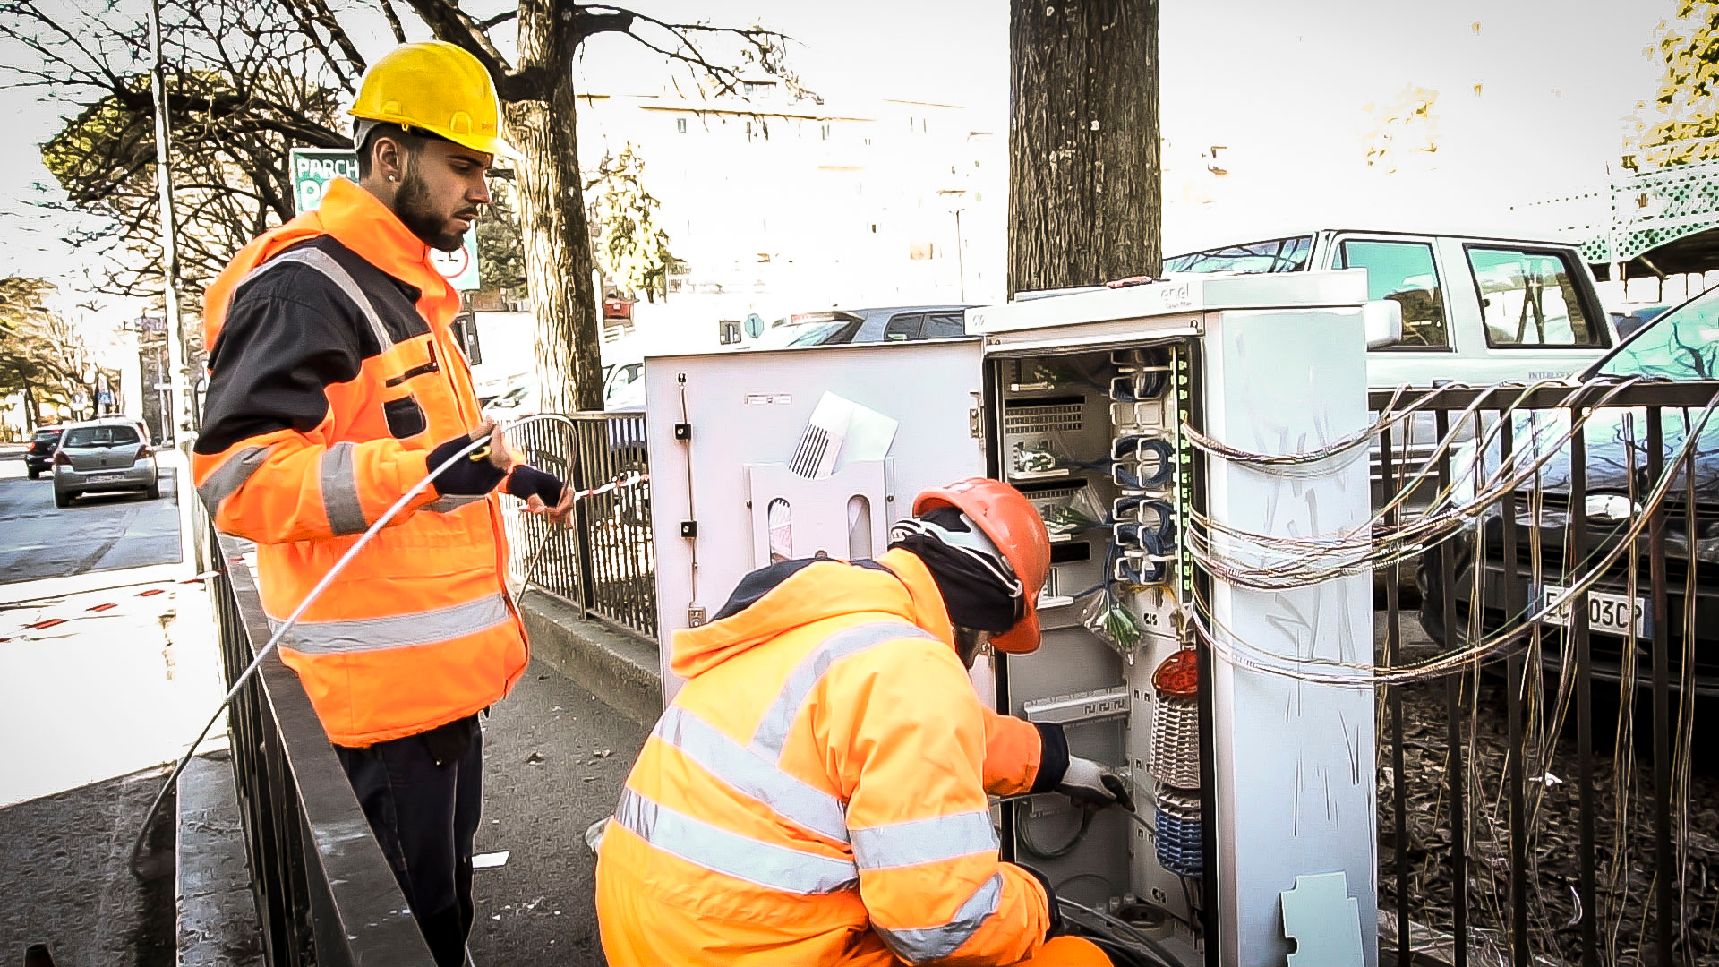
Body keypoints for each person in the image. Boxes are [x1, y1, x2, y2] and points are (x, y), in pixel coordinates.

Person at [191, 40, 571, 966]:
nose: (481, 192)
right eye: (463, 166)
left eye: (485, 168)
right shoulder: (308, 289)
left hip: (435, 693)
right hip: (378, 709)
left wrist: (507, 472)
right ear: (389, 156)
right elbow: (237, 479)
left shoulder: (408, 293)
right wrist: (419, 474)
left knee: (440, 919)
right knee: (408, 935)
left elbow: (418, 443)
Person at [595, 477, 1129, 966]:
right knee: (1077, 960)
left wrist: (1055, 763)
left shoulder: (833, 622)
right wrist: (1037, 902)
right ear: (979, 613)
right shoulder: (911, 668)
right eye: (989, 641)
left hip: (651, 926)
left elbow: (919, 739)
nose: (980, 655)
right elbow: (939, 927)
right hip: (738, 949)